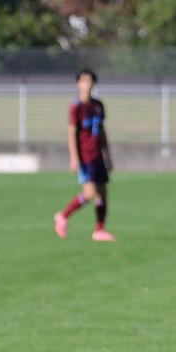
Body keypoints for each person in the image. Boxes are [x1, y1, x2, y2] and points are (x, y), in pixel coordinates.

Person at [54, 68, 115, 242]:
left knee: (102, 192)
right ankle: (63, 216)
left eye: (90, 81)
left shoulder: (98, 105)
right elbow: (72, 132)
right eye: (83, 81)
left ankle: (99, 229)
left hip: (98, 156)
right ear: (78, 84)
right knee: (89, 193)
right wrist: (74, 157)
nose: (87, 85)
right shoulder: (76, 107)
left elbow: (102, 131)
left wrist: (108, 154)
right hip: (85, 157)